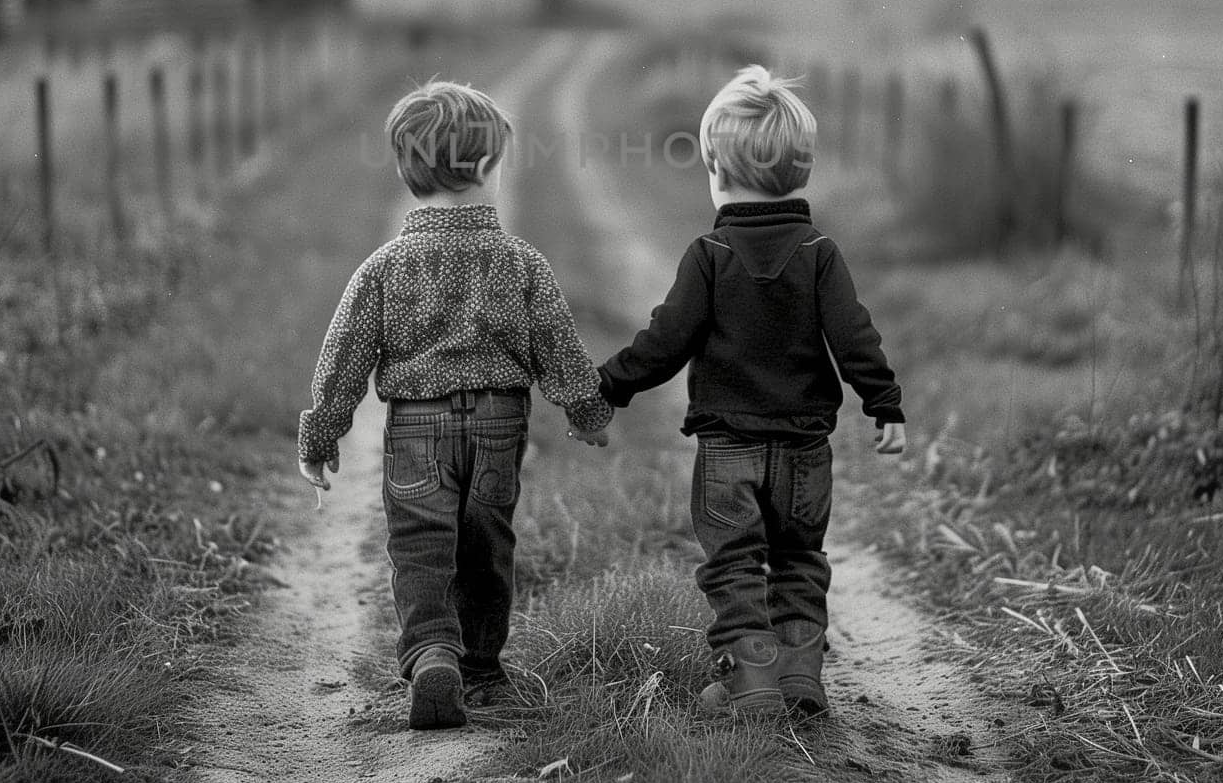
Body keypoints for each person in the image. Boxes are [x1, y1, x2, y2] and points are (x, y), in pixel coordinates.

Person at [298, 79, 612, 730]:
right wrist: (587, 410)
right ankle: (482, 669)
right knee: (487, 543)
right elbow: (557, 342)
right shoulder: (521, 261)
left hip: (415, 426)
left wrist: (321, 436)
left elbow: (345, 354)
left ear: (407, 171)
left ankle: (433, 651)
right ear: (488, 168)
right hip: (500, 421)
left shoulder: (385, 266)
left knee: (418, 544)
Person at [598, 65, 905, 718]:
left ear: (715, 168)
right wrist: (884, 402)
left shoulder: (710, 255)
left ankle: (750, 678)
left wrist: (608, 387)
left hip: (729, 445)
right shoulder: (820, 253)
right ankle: (800, 676)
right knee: (799, 558)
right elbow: (854, 335)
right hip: (803, 451)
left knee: (734, 563)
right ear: (802, 171)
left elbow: (665, 341)